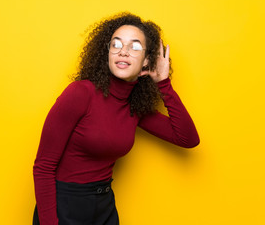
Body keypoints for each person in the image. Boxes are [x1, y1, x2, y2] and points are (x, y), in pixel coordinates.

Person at [32, 12, 200, 225]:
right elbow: (43, 166)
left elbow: (187, 139)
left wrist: (163, 83)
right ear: (107, 53)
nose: (123, 51)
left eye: (135, 47)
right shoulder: (80, 93)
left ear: (147, 61)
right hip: (65, 206)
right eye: (116, 44)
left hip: (104, 206)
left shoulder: (134, 107)